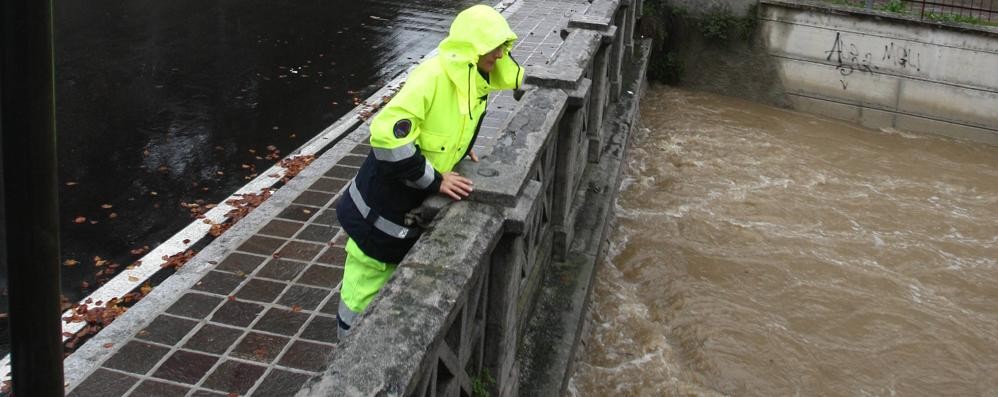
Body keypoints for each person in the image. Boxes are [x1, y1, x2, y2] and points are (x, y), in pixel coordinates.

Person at [335, 5, 524, 336]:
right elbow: (387, 139)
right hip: (375, 219)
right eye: (494, 46)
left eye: (504, 46)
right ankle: (342, 369)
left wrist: (462, 150)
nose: (500, 54)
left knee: (387, 302)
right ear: (472, 47)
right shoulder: (433, 76)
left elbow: (444, 127)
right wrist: (436, 180)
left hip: (401, 217)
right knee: (359, 301)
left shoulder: (474, 79)